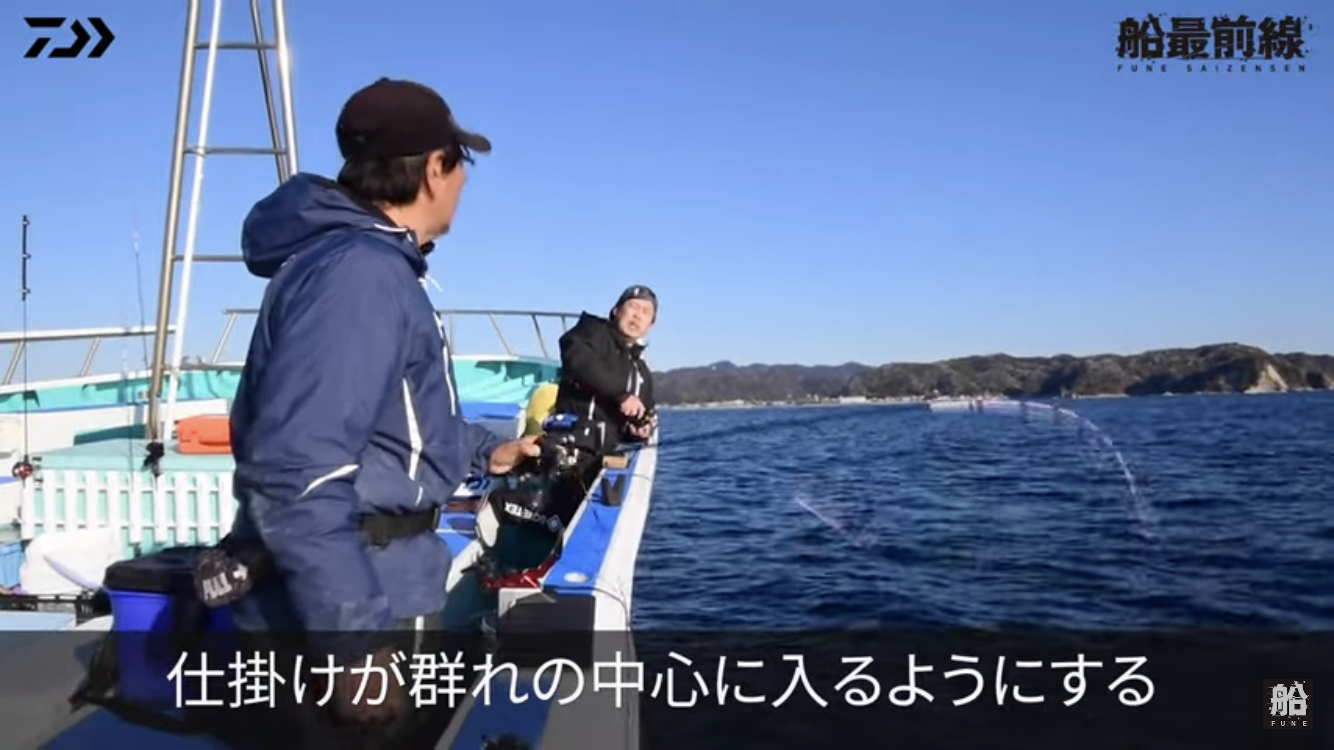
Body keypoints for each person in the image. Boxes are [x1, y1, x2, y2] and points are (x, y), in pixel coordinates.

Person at [222, 77, 540, 737]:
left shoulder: (362, 265)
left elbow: (391, 426)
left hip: (381, 584)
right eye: (460, 164)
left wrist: (487, 451)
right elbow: (297, 468)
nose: (462, 183)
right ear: (434, 168)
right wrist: (356, 644)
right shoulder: (360, 274)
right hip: (361, 600)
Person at [554, 285, 659, 442]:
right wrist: (621, 395)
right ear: (616, 311)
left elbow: (647, 409)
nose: (637, 315)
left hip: (608, 450)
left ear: (650, 324)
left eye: (646, 312)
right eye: (632, 306)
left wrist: (640, 428)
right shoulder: (592, 332)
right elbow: (578, 361)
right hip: (570, 442)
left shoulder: (640, 371)